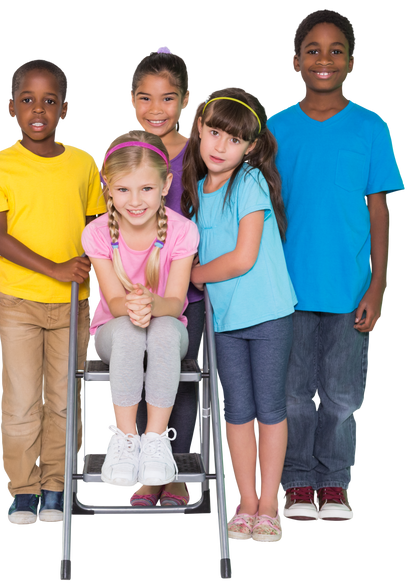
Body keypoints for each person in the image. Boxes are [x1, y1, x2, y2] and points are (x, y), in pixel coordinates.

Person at [266, 7, 406, 524]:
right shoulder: (274, 127)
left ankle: (335, 485)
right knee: (295, 395)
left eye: (335, 52)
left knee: (344, 395)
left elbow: (378, 209)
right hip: (287, 289)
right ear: (294, 62)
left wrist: (379, 287)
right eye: (312, 51)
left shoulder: (372, 126)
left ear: (351, 63)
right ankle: (297, 481)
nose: (323, 60)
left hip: (350, 288)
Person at [0, 57, 106, 527]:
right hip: (18, 302)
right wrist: (55, 267)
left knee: (63, 397)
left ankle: (56, 485)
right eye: (27, 100)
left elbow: (96, 231)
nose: (38, 109)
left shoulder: (84, 162)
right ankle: (23, 490)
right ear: (11, 107)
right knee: (22, 399)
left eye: (49, 101)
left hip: (75, 303)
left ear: (65, 109)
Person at [182, 84, 297, 544]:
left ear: (251, 146)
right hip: (225, 321)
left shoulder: (248, 182)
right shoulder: (194, 190)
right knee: (236, 412)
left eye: (233, 139)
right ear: (200, 131)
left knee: (268, 410)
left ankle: (270, 504)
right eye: (214, 133)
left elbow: (243, 258)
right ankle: (245, 503)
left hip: (268, 314)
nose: (220, 146)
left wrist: (194, 274)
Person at [82, 128, 198, 497]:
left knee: (162, 329)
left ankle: (154, 440)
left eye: (146, 189)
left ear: (165, 185)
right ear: (109, 187)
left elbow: (177, 301)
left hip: (167, 325)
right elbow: (114, 302)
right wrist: (132, 307)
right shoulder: (98, 233)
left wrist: (151, 304)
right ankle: (125, 439)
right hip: (114, 330)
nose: (135, 201)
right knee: (132, 331)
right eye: (124, 190)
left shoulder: (182, 232)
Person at [125, 43, 199, 506]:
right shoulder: (124, 150)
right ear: (131, 98)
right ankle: (143, 467)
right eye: (146, 98)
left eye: (168, 98)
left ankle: (168, 474)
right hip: (132, 289)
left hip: (181, 288)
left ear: (186, 100)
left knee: (178, 377)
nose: (157, 109)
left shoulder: (198, 151)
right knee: (138, 369)